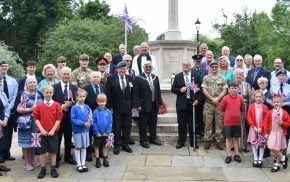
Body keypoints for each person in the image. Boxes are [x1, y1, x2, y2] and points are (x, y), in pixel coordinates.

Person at [106, 61, 136, 154]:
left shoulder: (130, 78)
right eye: (121, 68)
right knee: (116, 127)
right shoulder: (111, 78)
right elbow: (108, 93)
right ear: (117, 69)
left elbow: (133, 93)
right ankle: (117, 145)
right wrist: (110, 106)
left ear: (126, 69)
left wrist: (134, 105)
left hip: (128, 107)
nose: (123, 70)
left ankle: (125, 144)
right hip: (116, 107)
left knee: (127, 126)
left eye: (124, 68)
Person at [33, 85, 63, 179]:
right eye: (47, 92)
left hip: (53, 133)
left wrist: (53, 130)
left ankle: (53, 168)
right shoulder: (39, 105)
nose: (48, 94)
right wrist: (41, 129)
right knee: (42, 152)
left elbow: (59, 119)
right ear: (43, 93)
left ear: (53, 93)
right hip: (42, 133)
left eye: (50, 92)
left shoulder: (57, 105)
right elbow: (36, 118)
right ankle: (43, 169)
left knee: (53, 152)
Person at [171, 60, 202, 149]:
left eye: (187, 65)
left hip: (192, 104)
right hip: (181, 104)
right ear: (182, 66)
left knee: (192, 124)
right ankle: (181, 141)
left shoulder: (196, 77)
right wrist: (179, 90)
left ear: (190, 66)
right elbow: (173, 89)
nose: (186, 66)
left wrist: (197, 100)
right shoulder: (177, 76)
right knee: (182, 124)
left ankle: (193, 142)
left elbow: (199, 91)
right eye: (184, 65)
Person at [53, 67, 78, 167]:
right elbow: (52, 101)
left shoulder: (74, 88)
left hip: (70, 117)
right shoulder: (54, 87)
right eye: (64, 74)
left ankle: (68, 156)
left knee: (68, 138)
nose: (66, 76)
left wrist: (72, 103)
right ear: (60, 74)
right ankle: (57, 157)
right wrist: (60, 106)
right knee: (57, 138)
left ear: (71, 75)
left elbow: (77, 100)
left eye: (68, 74)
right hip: (58, 118)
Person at [16, 77, 43, 171]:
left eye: (34, 82)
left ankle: (32, 160)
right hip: (26, 123)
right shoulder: (24, 95)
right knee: (26, 143)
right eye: (30, 82)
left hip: (36, 122)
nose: (32, 84)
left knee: (33, 142)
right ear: (26, 85)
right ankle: (27, 162)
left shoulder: (39, 94)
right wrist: (30, 109)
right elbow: (18, 109)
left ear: (37, 84)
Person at [135, 61, 163, 148]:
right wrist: (137, 105)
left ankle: (153, 138)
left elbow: (158, 91)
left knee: (153, 123)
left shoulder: (155, 77)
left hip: (154, 104)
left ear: (152, 68)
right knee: (143, 124)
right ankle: (143, 140)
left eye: (149, 66)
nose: (148, 68)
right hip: (143, 105)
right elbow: (136, 93)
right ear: (143, 67)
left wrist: (159, 103)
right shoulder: (138, 78)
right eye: (146, 66)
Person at [202, 61, 227, 150]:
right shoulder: (206, 78)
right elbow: (204, 89)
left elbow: (225, 90)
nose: (215, 68)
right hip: (209, 104)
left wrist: (218, 99)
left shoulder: (223, 78)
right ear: (210, 67)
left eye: (216, 66)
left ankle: (219, 141)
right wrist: (212, 99)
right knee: (207, 123)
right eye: (213, 67)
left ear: (218, 67)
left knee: (219, 124)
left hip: (219, 104)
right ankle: (207, 140)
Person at [264, 94, 290, 172]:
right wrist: (266, 133)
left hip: (281, 133)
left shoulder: (285, 113)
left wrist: (283, 123)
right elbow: (266, 123)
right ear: (272, 103)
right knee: (270, 146)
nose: (276, 103)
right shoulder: (269, 112)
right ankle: (283, 158)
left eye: (278, 102)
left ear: (281, 103)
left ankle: (277, 164)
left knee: (280, 148)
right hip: (272, 132)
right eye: (274, 102)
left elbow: (288, 123)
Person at [83, 71, 106, 161]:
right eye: (94, 77)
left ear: (100, 79)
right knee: (89, 135)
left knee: (99, 134)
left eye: (97, 77)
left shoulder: (104, 88)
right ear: (90, 78)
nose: (96, 78)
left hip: (101, 116)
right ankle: (88, 153)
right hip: (89, 115)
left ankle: (100, 151)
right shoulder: (85, 88)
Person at [220, 81, 244, 163]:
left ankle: (237, 154)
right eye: (232, 88)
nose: (233, 89)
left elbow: (242, 109)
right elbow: (222, 109)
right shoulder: (225, 98)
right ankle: (228, 155)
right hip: (228, 122)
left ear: (237, 89)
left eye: (235, 88)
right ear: (229, 89)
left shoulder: (240, 98)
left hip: (237, 122)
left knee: (236, 138)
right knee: (228, 138)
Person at [0, 60, 18, 161]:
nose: (4, 67)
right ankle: (1, 154)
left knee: (9, 133)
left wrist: (9, 106)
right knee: (1, 134)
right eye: (2, 66)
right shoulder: (0, 80)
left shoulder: (13, 81)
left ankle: (7, 152)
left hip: (9, 111)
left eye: (6, 66)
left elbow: (15, 96)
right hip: (1, 111)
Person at [71, 89, 91, 173]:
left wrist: (89, 122)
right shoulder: (74, 108)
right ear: (76, 97)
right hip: (78, 131)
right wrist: (83, 123)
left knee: (84, 147)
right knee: (78, 147)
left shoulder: (87, 107)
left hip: (86, 131)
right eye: (80, 97)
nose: (82, 98)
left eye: (83, 96)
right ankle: (79, 164)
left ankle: (83, 163)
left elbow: (90, 116)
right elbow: (73, 119)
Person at [247, 90, 269, 168]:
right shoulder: (251, 106)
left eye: (260, 97)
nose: (258, 98)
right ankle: (255, 158)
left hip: (262, 129)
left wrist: (261, 127)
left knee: (262, 144)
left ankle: (260, 159)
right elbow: (249, 117)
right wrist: (254, 127)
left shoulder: (265, 107)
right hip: (254, 129)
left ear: (262, 97)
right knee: (254, 143)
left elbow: (266, 119)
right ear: (254, 97)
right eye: (257, 97)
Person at [92, 94, 112, 168]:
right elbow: (93, 122)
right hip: (98, 134)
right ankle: (97, 159)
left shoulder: (109, 112)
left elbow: (110, 122)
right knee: (96, 146)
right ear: (97, 102)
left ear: (106, 102)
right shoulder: (95, 112)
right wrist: (96, 132)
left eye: (103, 101)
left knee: (105, 146)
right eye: (100, 101)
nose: (101, 103)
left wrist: (107, 132)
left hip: (105, 133)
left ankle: (105, 159)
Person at [234, 69, 251, 151]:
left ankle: (244, 145)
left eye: (240, 75)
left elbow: (250, 97)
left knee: (244, 125)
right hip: (234, 107)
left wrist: (250, 109)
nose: (238, 76)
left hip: (245, 106)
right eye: (237, 74)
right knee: (235, 125)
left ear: (243, 76)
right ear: (234, 76)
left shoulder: (247, 85)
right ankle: (234, 145)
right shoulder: (231, 85)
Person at [191, 54, 208, 136]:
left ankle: (201, 129)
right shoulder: (191, 70)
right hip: (194, 94)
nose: (198, 63)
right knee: (193, 113)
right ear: (194, 62)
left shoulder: (205, 71)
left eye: (199, 61)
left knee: (201, 113)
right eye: (197, 61)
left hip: (202, 93)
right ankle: (194, 129)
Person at [0, 76, 11, 175]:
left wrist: (6, 118)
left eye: (0, 81)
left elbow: (7, 107)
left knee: (3, 144)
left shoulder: (2, 94)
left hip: (4, 119)